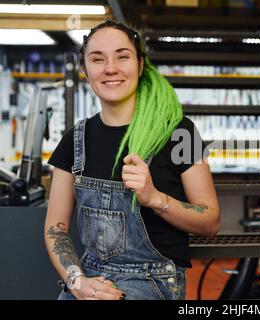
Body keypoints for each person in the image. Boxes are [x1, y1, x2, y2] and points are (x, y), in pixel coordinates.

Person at [44, 20, 220, 300]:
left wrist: (153, 198)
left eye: (122, 56)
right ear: (85, 71)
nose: (110, 68)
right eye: (97, 59)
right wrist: (76, 281)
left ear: (140, 65)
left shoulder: (179, 133)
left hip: (154, 280)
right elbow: (56, 229)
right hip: (90, 278)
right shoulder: (74, 141)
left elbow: (210, 221)